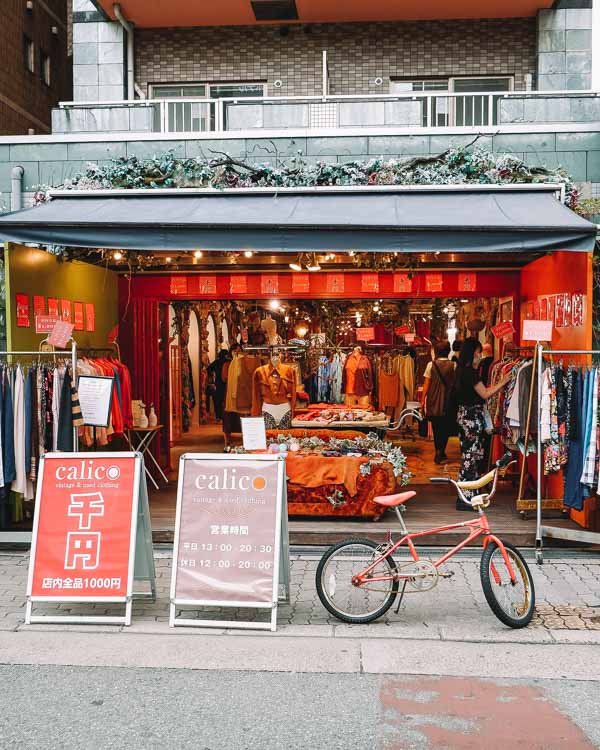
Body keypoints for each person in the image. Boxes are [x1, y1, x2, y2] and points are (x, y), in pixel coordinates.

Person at [454, 339, 509, 511]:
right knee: (471, 457)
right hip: (471, 418)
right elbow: (485, 393)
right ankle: (467, 498)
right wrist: (503, 382)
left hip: (465, 416)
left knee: (469, 456)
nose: (480, 354)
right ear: (473, 352)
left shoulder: (461, 370)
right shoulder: (470, 373)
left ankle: (467, 495)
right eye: (478, 351)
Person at [421, 340, 455, 464]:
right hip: (448, 400)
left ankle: (438, 450)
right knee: (445, 427)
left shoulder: (431, 365)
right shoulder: (453, 365)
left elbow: (426, 383)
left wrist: (422, 401)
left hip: (433, 399)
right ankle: (441, 450)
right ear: (448, 351)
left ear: (436, 351)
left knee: (436, 426)